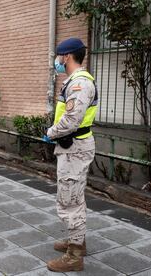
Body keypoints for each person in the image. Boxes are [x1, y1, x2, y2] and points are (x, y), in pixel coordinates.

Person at [43, 38, 98, 272]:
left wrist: (51, 132)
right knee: (74, 196)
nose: (56, 61)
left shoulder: (79, 83)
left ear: (66, 57)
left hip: (75, 147)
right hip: (72, 146)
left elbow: (72, 119)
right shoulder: (75, 81)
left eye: (58, 56)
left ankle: (74, 256)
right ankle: (78, 241)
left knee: (70, 200)